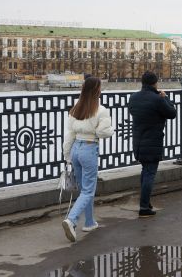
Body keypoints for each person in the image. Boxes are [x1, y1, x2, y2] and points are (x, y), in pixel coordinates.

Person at [61, 76, 114, 242]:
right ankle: (71, 220)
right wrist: (111, 130)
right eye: (100, 87)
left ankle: (90, 222)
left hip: (76, 148)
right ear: (97, 90)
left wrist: (67, 155)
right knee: (88, 190)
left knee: (84, 188)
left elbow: (69, 135)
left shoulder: (76, 109)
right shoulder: (101, 110)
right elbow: (102, 132)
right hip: (89, 149)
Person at [127, 71, 177, 217]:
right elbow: (172, 113)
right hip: (153, 142)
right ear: (155, 83)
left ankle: (146, 202)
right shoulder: (157, 99)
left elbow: (132, 111)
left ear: (142, 82)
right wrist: (165, 98)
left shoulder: (133, 97)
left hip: (138, 142)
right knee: (149, 172)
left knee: (145, 170)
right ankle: (144, 207)